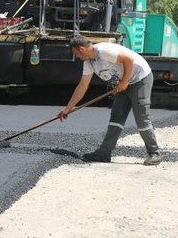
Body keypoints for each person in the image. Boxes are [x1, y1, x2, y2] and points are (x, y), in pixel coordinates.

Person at [58, 35, 162, 166]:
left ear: (82, 49)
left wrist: (124, 82)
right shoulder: (89, 63)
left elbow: (129, 60)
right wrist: (68, 109)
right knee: (116, 117)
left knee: (141, 117)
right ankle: (104, 153)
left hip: (140, 78)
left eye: (76, 53)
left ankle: (154, 153)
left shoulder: (103, 51)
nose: (77, 57)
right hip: (123, 83)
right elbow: (82, 86)